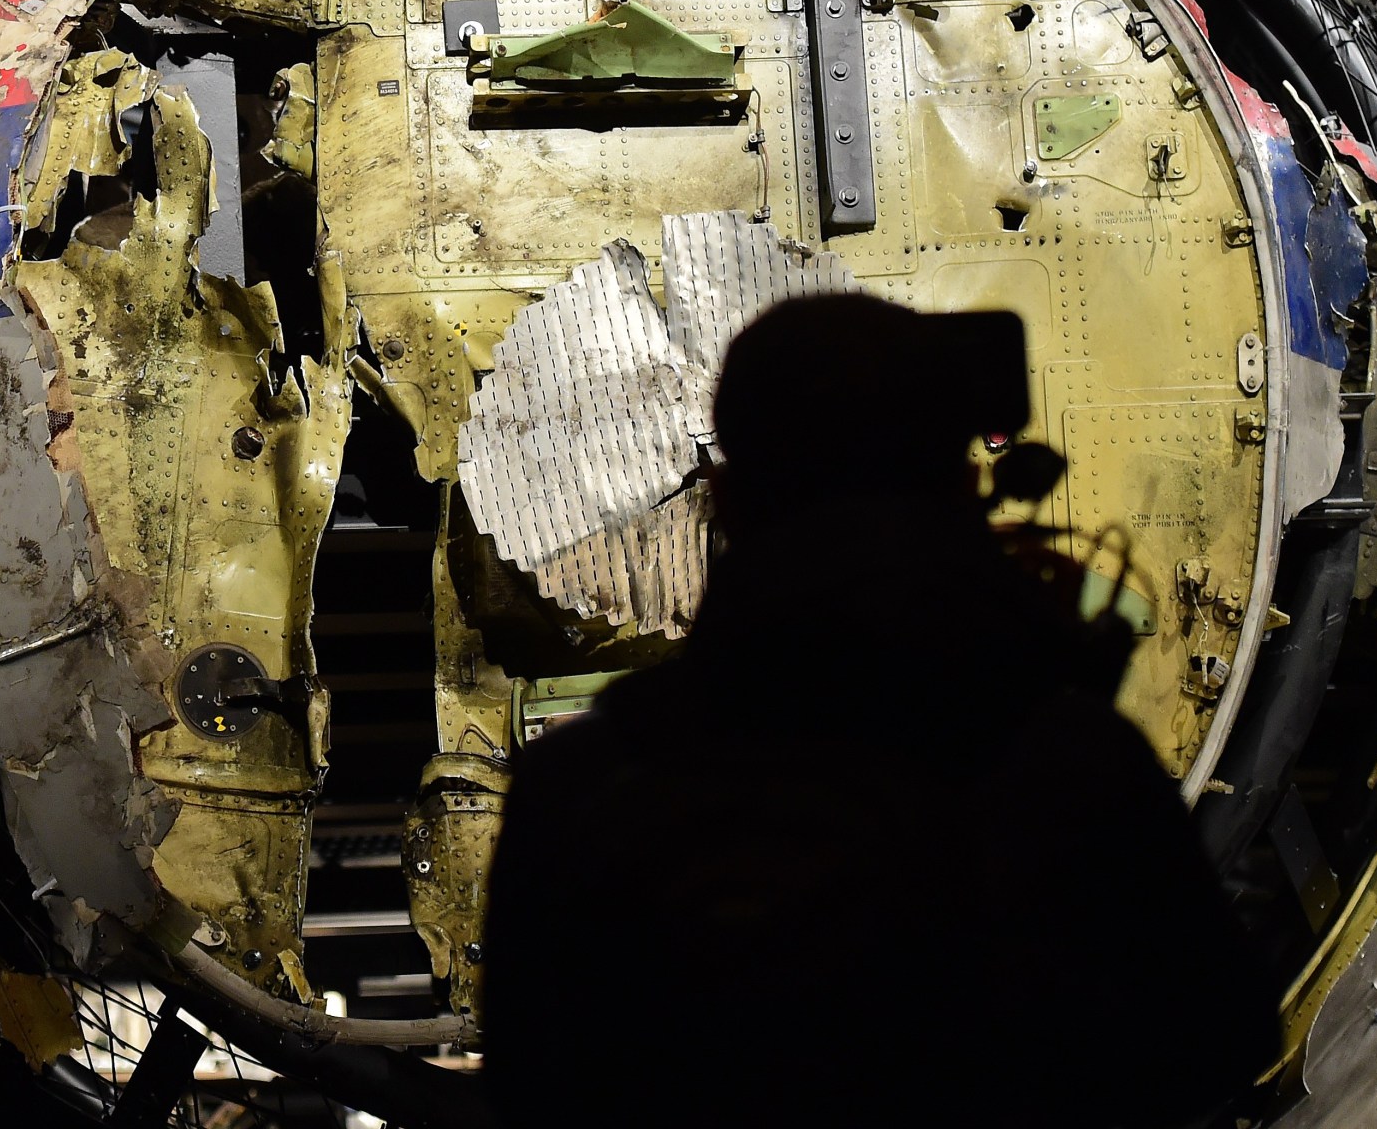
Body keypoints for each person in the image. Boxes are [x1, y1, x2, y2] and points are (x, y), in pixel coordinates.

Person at [482, 293, 1277, 1128]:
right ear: (960, 485)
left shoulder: (582, 790)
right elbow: (1212, 1043)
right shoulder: (1073, 771)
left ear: (721, 495)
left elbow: (534, 1092)